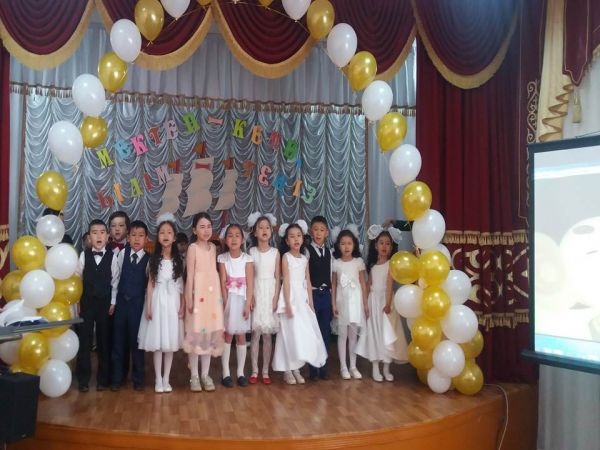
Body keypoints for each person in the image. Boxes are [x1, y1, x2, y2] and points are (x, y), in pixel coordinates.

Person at [272, 221, 327, 385]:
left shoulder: (304, 258)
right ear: (287, 241)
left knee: (299, 334)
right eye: (292, 237)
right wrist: (288, 303)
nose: (296, 239)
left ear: (303, 239)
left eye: (298, 236)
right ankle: (287, 370)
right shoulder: (286, 257)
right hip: (290, 298)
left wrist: (310, 302)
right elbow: (286, 280)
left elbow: (308, 281)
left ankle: (296, 368)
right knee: (288, 333)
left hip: (302, 298)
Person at [138, 215, 184, 393]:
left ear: (174, 237)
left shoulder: (179, 260)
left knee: (169, 343)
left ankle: (166, 378)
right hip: (157, 301)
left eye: (169, 232)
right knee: (157, 342)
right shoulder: (153, 259)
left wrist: (182, 306)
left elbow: (182, 285)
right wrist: (149, 306)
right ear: (157, 237)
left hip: (173, 302)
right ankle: (158, 379)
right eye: (162, 232)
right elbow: (150, 285)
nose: (165, 235)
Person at [356, 225, 408, 381]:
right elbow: (368, 285)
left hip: (385, 302)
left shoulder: (391, 264)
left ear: (392, 247)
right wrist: (365, 304)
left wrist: (388, 303)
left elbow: (390, 285)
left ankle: (386, 368)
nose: (384, 246)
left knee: (386, 334)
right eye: (381, 243)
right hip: (373, 301)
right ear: (375, 245)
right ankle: (375, 368)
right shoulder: (372, 266)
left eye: (388, 243)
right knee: (374, 333)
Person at [75, 219, 120, 392]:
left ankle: (103, 380)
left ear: (108, 236)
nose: (98, 236)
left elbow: (115, 282)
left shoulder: (113, 257)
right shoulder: (83, 255)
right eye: (94, 233)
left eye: (102, 232)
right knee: (84, 341)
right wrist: (77, 301)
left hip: (105, 303)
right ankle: (83, 380)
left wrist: (113, 301)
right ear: (89, 237)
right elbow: (77, 280)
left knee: (104, 341)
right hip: (86, 303)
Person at [183, 212, 224, 392]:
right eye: (202, 227)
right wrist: (189, 298)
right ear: (194, 230)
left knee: (208, 336)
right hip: (197, 295)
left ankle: (205, 375)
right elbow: (190, 275)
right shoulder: (193, 248)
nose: (206, 230)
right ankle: (194, 376)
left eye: (209, 226)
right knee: (196, 336)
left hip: (212, 296)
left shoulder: (213, 248)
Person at [110, 220, 150, 391]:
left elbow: (149, 286)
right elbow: (115, 279)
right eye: (133, 235)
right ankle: (117, 378)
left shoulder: (149, 260)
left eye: (140, 236)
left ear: (146, 239)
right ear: (128, 237)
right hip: (121, 305)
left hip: (138, 307)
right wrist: (113, 301)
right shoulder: (121, 254)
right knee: (119, 342)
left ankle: (138, 379)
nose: (136, 239)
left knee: (137, 343)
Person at [218, 224, 253, 388]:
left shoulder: (247, 259)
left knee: (241, 336)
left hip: (242, 300)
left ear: (242, 239)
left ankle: (240, 372)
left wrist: (248, 303)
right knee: (227, 335)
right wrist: (226, 304)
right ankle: (225, 373)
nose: (233, 239)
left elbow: (250, 283)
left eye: (237, 235)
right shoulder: (222, 258)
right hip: (229, 300)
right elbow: (223, 281)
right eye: (230, 235)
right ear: (225, 240)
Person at [246, 212, 280, 385]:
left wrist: (275, 298)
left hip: (270, 293)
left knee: (267, 335)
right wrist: (250, 296)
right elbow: (249, 277)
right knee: (256, 334)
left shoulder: (275, 253)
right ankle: (254, 370)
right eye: (260, 227)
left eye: (267, 227)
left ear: (271, 231)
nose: (264, 230)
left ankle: (265, 371)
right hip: (257, 292)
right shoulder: (251, 252)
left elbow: (278, 277)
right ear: (255, 232)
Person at [331, 227, 368, 380]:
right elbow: (334, 285)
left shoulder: (358, 262)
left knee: (353, 336)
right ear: (338, 245)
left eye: (349, 243)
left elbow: (363, 284)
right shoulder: (336, 263)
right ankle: (343, 367)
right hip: (342, 301)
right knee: (343, 335)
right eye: (343, 243)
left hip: (355, 302)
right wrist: (333, 304)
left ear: (354, 245)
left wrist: (365, 304)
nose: (346, 247)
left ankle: (353, 366)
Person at [305, 216, 333, 380]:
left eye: (321, 230)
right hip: (313, 294)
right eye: (315, 230)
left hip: (326, 295)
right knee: (312, 331)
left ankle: (323, 367)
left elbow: (331, 275)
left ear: (326, 233)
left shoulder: (329, 252)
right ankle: (313, 368)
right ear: (311, 231)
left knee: (325, 331)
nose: (318, 233)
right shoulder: (307, 251)